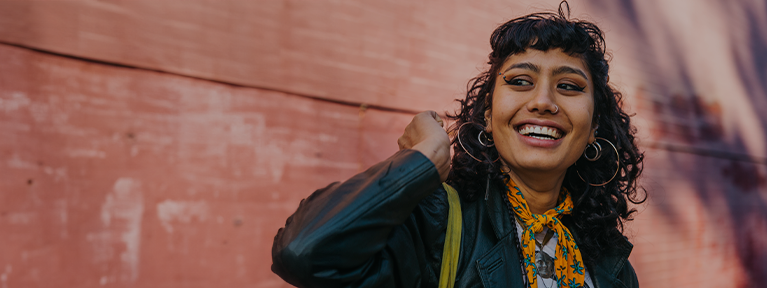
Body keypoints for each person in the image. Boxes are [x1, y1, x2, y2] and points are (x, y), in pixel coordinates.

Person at [269, 5, 645, 288]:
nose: (543, 101)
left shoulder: (610, 260)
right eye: (519, 81)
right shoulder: (436, 223)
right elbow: (304, 254)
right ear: (487, 114)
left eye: (569, 86)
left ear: (594, 126)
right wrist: (420, 161)